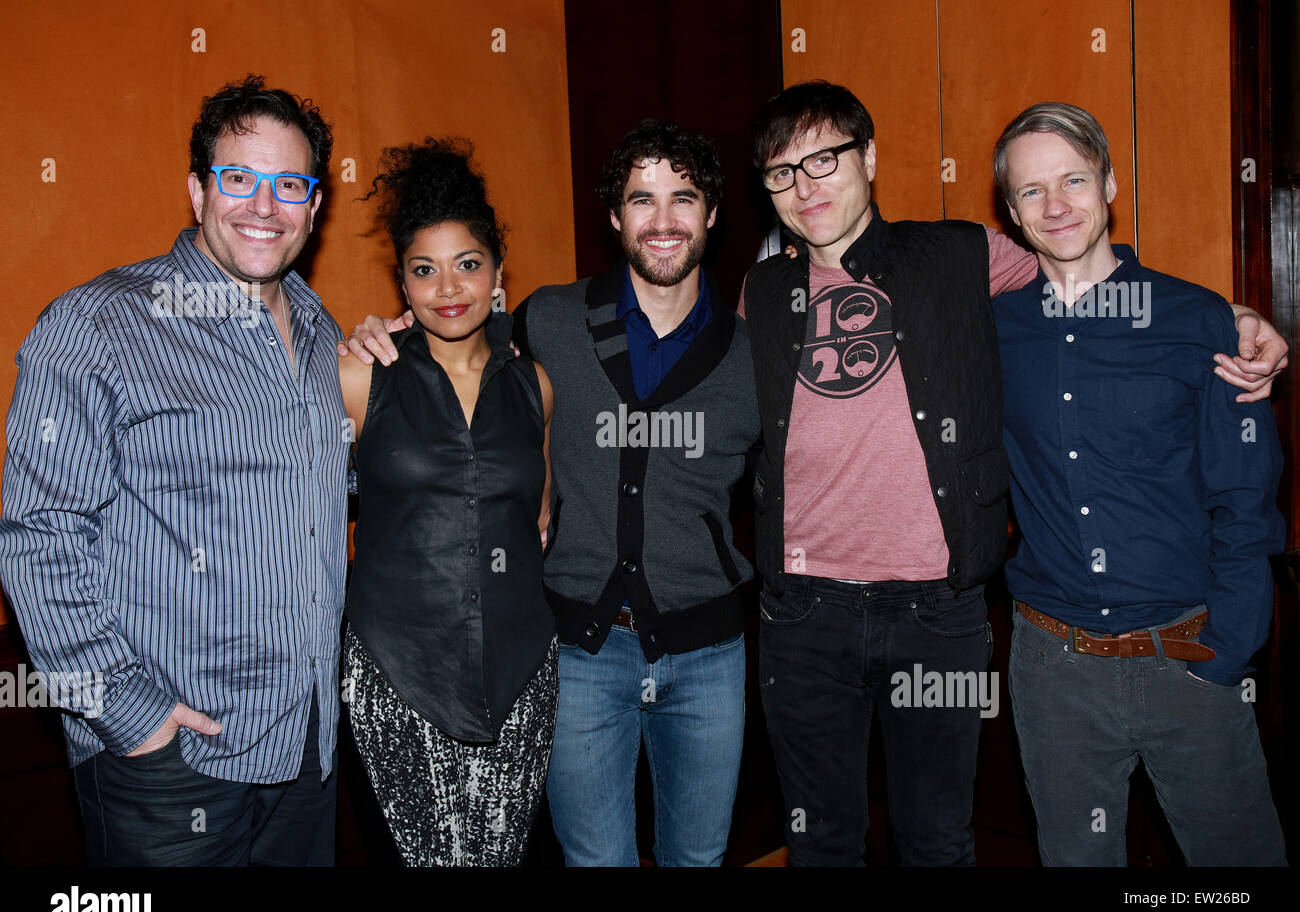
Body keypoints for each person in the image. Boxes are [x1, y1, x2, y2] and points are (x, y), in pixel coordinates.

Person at [741, 80, 1288, 867]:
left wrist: (1236, 321)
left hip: (981, 621)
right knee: (828, 840)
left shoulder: (968, 261)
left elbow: (1242, 492)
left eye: (825, 158)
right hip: (858, 629)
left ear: (868, 157)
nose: (808, 184)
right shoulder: (767, 294)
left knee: (944, 839)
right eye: (783, 172)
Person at [343, 120, 760, 867]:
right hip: (579, 650)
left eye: (683, 198)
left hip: (707, 651)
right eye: (641, 199)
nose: (662, 221)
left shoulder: (750, 354)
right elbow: (453, 342)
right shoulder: (550, 321)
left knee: (699, 859)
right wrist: (391, 331)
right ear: (614, 216)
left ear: (713, 214)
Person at [0, 76, 347, 865]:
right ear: (197, 191)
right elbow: (37, 534)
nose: (264, 205)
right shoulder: (100, 324)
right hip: (169, 766)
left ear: (315, 206)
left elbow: (334, 492)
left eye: (289, 183)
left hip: (305, 754)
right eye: (238, 178)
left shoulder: (327, 339)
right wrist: (130, 716)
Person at [992, 102, 1287, 865]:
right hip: (1053, 669)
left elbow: (1246, 500)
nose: (1056, 206)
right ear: (1012, 212)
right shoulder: (990, 330)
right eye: (1031, 191)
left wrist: (1230, 653)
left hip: (1190, 657)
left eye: (1074, 180)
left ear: (1110, 185)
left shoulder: (1195, 319)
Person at [338, 139, 557, 866]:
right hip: (399, 672)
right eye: (423, 270)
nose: (448, 287)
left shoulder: (536, 387)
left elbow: (540, 518)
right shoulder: (359, 377)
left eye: (467, 263)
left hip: (522, 670)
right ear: (401, 282)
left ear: (497, 270)